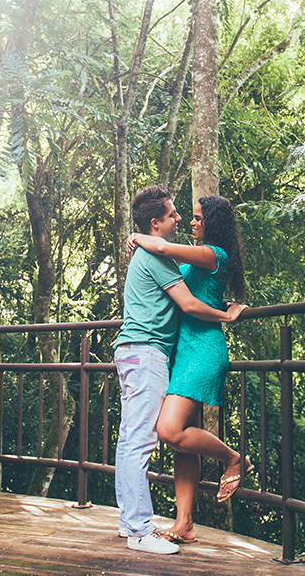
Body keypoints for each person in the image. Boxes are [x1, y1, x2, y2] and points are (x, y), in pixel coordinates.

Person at [114, 185, 246, 555]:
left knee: (168, 432)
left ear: (212, 224)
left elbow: (182, 290)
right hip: (172, 352)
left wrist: (140, 235)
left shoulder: (209, 253)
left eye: (196, 217)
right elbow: (166, 267)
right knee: (174, 436)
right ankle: (178, 524)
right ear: (157, 222)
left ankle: (233, 458)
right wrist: (141, 237)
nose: (186, 220)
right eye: (178, 215)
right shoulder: (172, 259)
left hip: (199, 350)